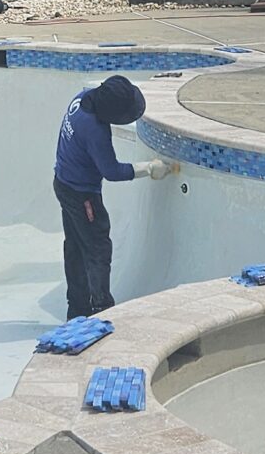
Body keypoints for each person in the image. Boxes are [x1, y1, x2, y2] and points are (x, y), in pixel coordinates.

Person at [52, 75, 174, 317]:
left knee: (75, 247)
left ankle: (77, 309)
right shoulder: (94, 129)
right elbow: (111, 171)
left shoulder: (83, 99)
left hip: (63, 183)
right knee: (97, 249)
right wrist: (148, 168)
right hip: (82, 195)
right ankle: (100, 309)